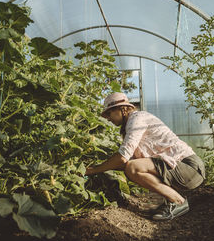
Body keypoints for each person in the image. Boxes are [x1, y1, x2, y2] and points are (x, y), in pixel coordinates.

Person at [85, 92, 205, 220]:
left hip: (190, 168)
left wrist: (93, 170)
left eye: (109, 113)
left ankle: (178, 201)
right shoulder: (131, 124)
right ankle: (168, 201)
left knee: (133, 168)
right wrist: (103, 167)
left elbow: (123, 158)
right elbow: (124, 162)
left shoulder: (137, 119)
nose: (108, 118)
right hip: (182, 169)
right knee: (132, 166)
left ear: (123, 109)